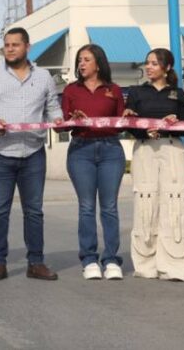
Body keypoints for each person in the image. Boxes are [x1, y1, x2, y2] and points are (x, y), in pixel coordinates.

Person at [0, 27, 62, 282]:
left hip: (33, 152)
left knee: (34, 211)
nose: (9, 49)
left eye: (15, 44)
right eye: (6, 45)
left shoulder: (43, 77)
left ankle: (36, 262)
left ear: (27, 47)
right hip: (0, 152)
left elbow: (53, 108)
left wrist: (60, 120)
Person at [124, 47, 184, 281]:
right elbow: (129, 123)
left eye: (154, 63)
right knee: (146, 202)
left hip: (172, 148)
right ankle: (146, 264)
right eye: (147, 63)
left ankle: (176, 265)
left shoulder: (178, 93)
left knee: (176, 202)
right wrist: (143, 131)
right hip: (145, 149)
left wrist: (176, 120)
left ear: (167, 67)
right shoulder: (136, 92)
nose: (149, 67)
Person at [61, 44, 126, 281]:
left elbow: (122, 120)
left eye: (86, 59)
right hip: (81, 151)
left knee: (109, 207)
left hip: (110, 150)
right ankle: (89, 259)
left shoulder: (114, 90)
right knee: (87, 206)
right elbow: (64, 121)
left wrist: (129, 118)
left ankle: (111, 259)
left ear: (98, 63)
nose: (81, 63)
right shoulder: (70, 90)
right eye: (79, 60)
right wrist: (72, 119)